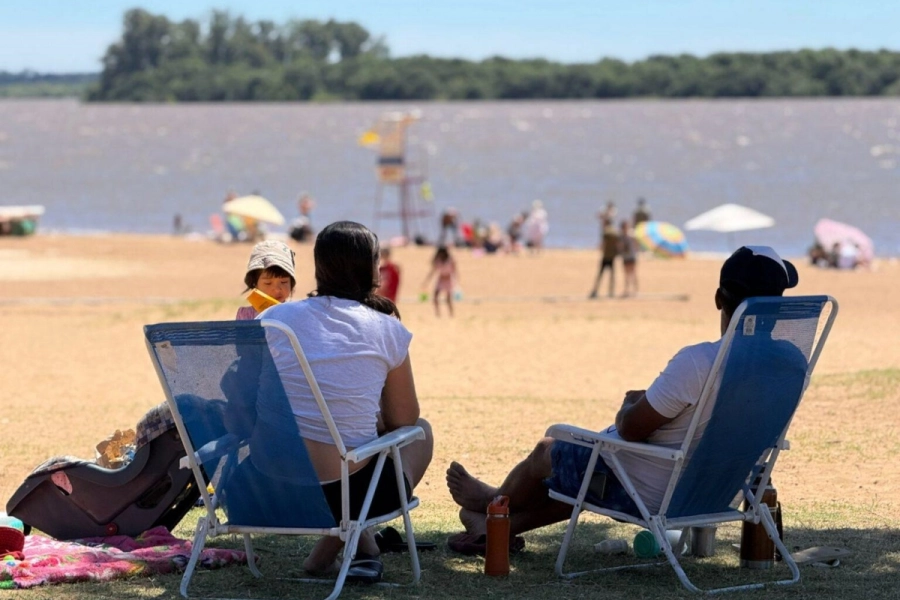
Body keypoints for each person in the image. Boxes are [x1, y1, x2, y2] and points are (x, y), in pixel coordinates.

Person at [446, 245, 799, 550]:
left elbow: (630, 429)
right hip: (720, 491)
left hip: (649, 493)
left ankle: (493, 505)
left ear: (719, 299)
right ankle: (498, 526)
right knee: (591, 470)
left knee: (550, 451)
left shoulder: (698, 363)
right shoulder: (791, 364)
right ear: (776, 307)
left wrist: (629, 404)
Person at [261, 221, 434, 577]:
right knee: (420, 433)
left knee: (348, 443)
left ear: (319, 267)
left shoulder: (273, 319)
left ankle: (352, 551)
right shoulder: (386, 329)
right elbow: (405, 419)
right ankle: (326, 556)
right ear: (373, 269)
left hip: (266, 485)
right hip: (337, 494)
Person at [235, 241, 296, 320]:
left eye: (284, 282)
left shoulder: (295, 314)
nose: (277, 290)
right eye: (268, 283)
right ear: (255, 284)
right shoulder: (246, 316)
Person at [588, 217, 620, 299]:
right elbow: (618, 244)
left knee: (600, 275)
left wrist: (600, 248)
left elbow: (603, 243)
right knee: (612, 275)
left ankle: (595, 291)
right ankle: (611, 292)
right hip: (612, 256)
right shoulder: (615, 232)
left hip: (606, 256)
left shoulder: (606, 232)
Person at [423, 246, 458, 317]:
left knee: (448, 299)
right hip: (441, 279)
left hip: (448, 280)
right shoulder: (438, 261)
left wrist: (456, 279)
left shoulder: (450, 260)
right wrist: (426, 281)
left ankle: (451, 314)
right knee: (435, 296)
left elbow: (454, 270)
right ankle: (438, 314)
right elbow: (432, 272)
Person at [619, 219, 639, 297]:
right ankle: (627, 290)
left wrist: (636, 251)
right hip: (625, 256)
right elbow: (619, 247)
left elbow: (636, 244)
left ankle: (635, 290)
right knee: (626, 274)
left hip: (632, 256)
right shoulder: (621, 236)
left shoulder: (632, 235)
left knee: (633, 273)